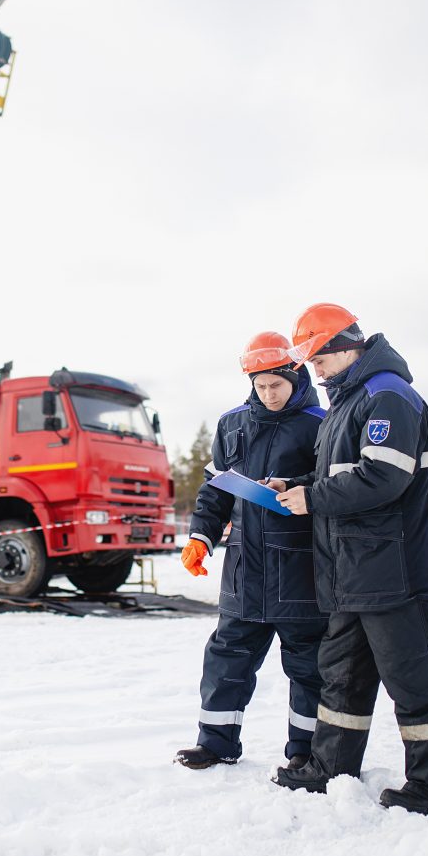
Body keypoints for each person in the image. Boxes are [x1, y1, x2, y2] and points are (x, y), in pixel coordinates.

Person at [267, 304, 428, 814]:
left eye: (317, 358)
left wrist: (313, 498)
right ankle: (330, 767)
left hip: (393, 571)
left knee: (413, 679)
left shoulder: (388, 396)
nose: (313, 370)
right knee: (341, 674)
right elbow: (339, 475)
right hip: (351, 572)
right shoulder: (348, 403)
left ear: (343, 347)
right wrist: (297, 485)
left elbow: (383, 478)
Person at [174, 331, 329, 774]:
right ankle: (215, 743)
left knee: (307, 666)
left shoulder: (320, 422)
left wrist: (295, 487)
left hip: (299, 566)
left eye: (276, 385)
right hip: (245, 566)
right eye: (260, 386)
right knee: (226, 657)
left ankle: (305, 750)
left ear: (294, 375)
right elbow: (215, 491)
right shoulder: (232, 423)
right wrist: (200, 538)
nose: (268, 394)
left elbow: (330, 487)